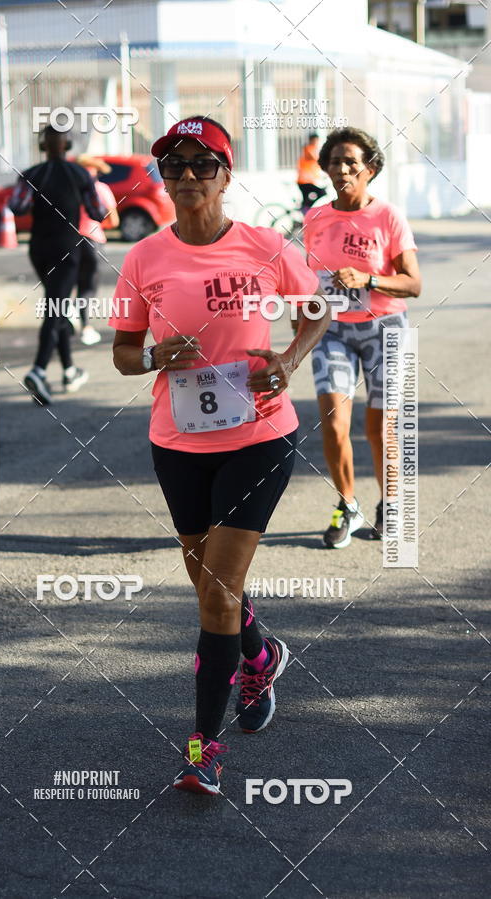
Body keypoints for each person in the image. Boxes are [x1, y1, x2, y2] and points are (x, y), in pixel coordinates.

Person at [109, 116, 330, 795]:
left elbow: (315, 308)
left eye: (202, 165)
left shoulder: (266, 246)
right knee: (211, 587)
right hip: (177, 442)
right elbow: (122, 353)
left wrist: (288, 360)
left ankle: (203, 749)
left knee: (219, 592)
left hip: (260, 435)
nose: (186, 176)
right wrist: (152, 356)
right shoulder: (143, 257)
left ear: (226, 175)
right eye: (173, 165)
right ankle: (260, 653)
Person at [303, 126, 421, 548]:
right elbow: (308, 279)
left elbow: (413, 283)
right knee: (334, 425)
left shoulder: (387, 216)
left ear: (369, 168)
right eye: (335, 162)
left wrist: (369, 278)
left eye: (351, 161)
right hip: (332, 329)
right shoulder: (315, 216)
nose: (343, 169)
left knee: (381, 428)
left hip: (385, 329)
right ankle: (346, 505)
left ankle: (389, 504)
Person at [9, 126, 106, 404]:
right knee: (57, 307)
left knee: (57, 303)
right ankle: (38, 370)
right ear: (68, 146)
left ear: (43, 146)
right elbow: (98, 211)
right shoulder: (79, 174)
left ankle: (69, 370)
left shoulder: (32, 174)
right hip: (67, 248)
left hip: (38, 248)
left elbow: (17, 207)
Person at [75, 155, 120, 346]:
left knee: (70, 282)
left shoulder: (70, 188)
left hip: (69, 240)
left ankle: (67, 320)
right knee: (87, 286)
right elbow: (113, 220)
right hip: (93, 240)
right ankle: (85, 327)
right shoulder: (101, 189)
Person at [297, 133, 327, 213]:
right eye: (315, 140)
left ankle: (305, 211)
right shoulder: (308, 149)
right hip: (304, 182)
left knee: (307, 200)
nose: (316, 142)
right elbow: (316, 159)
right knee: (322, 193)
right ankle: (306, 210)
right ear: (311, 140)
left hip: (308, 181)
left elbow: (317, 165)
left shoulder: (313, 149)